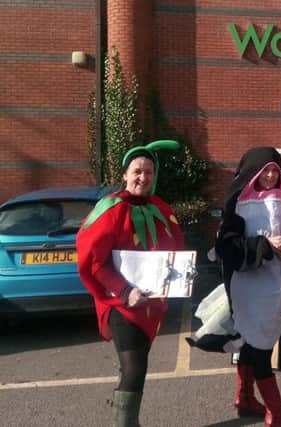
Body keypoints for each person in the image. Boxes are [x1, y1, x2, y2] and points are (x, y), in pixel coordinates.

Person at [77, 140, 185, 426]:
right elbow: (95, 263)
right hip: (122, 305)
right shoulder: (110, 209)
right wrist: (125, 291)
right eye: (137, 171)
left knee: (135, 367)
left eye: (149, 172)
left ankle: (123, 409)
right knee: (135, 368)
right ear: (125, 174)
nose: (143, 177)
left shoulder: (161, 208)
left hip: (150, 305)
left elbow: (175, 253)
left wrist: (184, 273)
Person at [215, 146, 281, 427]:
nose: (270, 175)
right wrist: (266, 246)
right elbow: (227, 248)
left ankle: (244, 398)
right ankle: (277, 415)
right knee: (258, 349)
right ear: (252, 173)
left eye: (275, 170)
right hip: (247, 287)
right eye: (265, 170)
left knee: (254, 342)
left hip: (276, 286)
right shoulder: (238, 203)